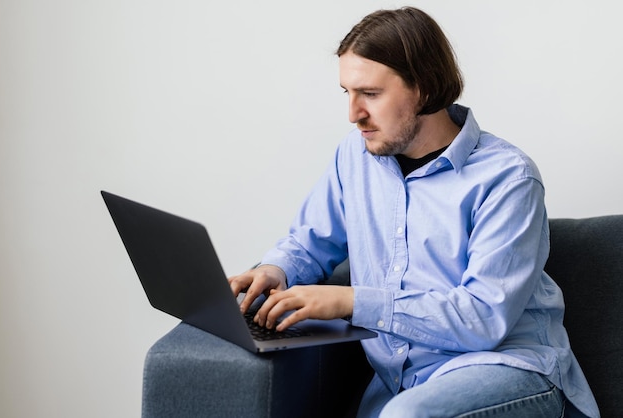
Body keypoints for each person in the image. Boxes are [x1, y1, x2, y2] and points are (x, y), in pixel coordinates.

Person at [228, 7, 599, 418]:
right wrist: (275, 270)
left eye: (370, 94)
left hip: (510, 371)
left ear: (423, 88)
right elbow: (309, 242)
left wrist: (351, 302)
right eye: (346, 93)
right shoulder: (354, 156)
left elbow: (481, 320)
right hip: (403, 387)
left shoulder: (508, 178)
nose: (353, 114)